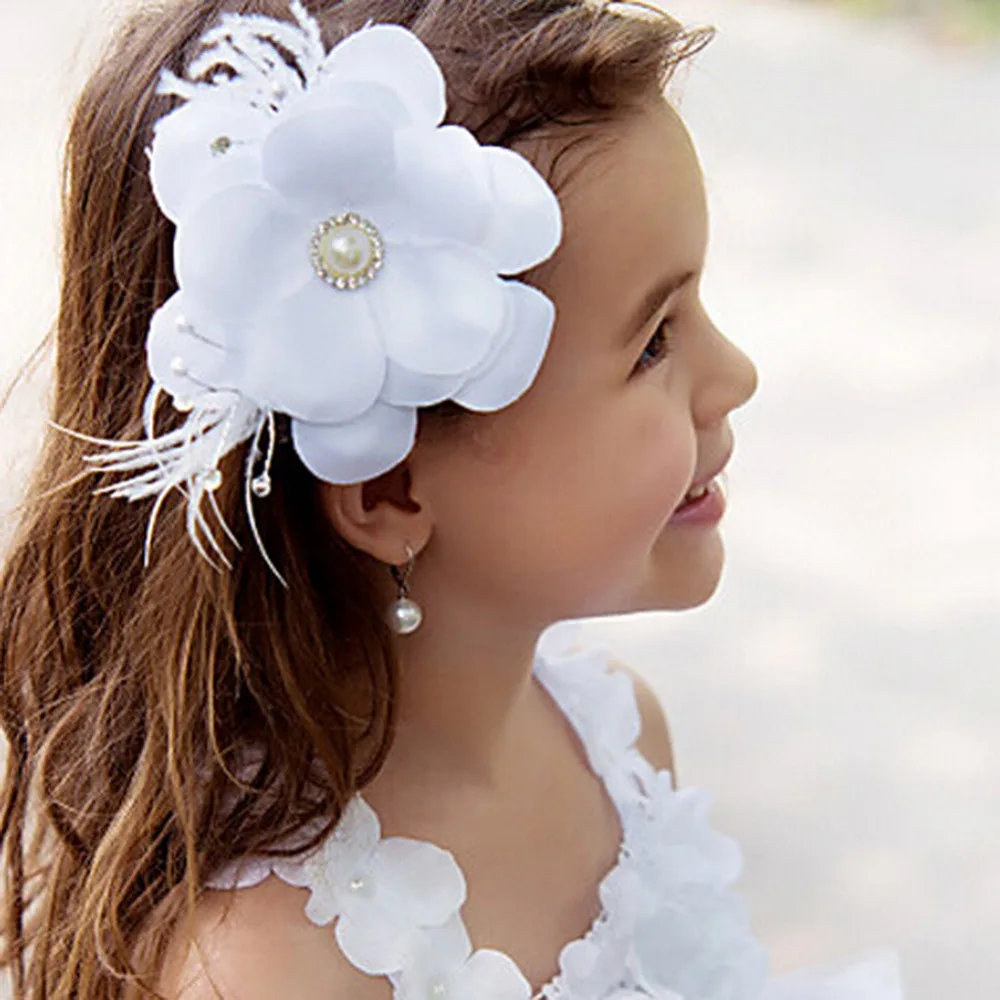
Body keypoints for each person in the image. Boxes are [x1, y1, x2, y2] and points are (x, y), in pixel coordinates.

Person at [0, 0, 906, 998]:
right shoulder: (272, 968)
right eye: (652, 340)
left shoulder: (620, 746)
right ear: (387, 489)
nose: (734, 373)